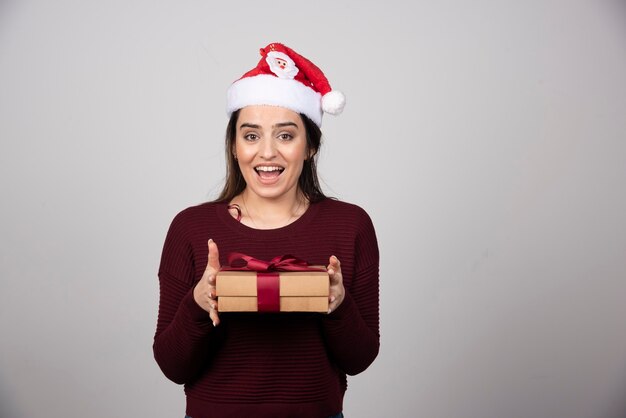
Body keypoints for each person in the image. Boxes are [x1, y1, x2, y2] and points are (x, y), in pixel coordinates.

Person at [153, 42, 380, 418]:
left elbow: (359, 359)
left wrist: (339, 306)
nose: (267, 153)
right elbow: (172, 367)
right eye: (252, 135)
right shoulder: (191, 228)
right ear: (234, 145)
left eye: (286, 135)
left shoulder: (351, 225)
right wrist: (198, 302)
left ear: (310, 146)